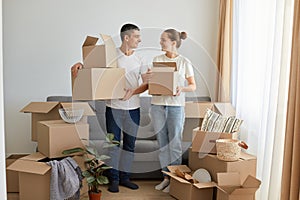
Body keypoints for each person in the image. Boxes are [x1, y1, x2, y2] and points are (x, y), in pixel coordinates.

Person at [71, 23, 149, 193]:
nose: (140, 40)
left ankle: (125, 178)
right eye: (136, 36)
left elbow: (146, 84)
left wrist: (132, 91)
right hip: (113, 108)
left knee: (129, 145)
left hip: (134, 109)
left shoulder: (141, 59)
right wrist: (80, 65)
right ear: (126, 38)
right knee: (113, 145)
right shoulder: (111, 56)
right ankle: (113, 179)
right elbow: (93, 69)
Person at [150, 29, 196, 192]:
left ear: (173, 43)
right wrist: (150, 79)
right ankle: (166, 178)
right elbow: (153, 83)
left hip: (176, 106)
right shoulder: (157, 59)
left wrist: (181, 88)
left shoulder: (184, 62)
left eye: (163, 40)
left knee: (174, 144)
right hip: (157, 105)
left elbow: (192, 86)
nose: (160, 43)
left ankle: (175, 181)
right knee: (162, 144)